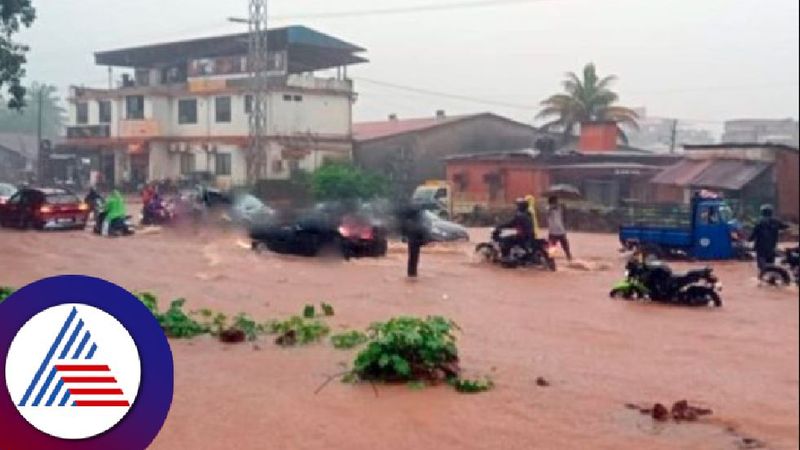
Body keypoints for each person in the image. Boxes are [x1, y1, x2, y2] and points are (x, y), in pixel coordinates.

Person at [749, 204, 788, 276]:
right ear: (771, 212)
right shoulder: (776, 221)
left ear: (762, 212)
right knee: (771, 266)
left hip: (760, 248)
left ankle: (762, 280)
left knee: (762, 267)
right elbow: (785, 227)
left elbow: (753, 234)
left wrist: (749, 240)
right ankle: (771, 279)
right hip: (771, 247)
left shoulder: (759, 222)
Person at [400, 204, 430, 278]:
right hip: (416, 239)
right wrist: (425, 239)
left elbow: (404, 230)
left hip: (413, 239)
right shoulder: (419, 219)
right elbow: (424, 229)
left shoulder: (408, 220)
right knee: (414, 257)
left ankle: (411, 273)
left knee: (412, 257)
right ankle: (412, 273)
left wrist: (404, 237)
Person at [547, 196, 572, 261]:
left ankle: (569, 259)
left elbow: (565, 216)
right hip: (553, 232)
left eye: (556, 201)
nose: (556, 203)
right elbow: (549, 211)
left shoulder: (560, 208)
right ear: (551, 203)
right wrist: (554, 207)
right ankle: (552, 262)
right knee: (552, 249)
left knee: (566, 247)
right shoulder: (548, 209)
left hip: (561, 231)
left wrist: (564, 207)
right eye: (555, 202)